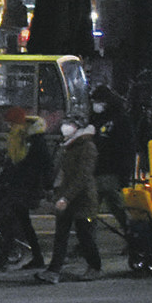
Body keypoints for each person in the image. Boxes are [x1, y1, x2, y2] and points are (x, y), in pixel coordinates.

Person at [39, 114, 102, 284]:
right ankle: (54, 270)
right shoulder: (68, 145)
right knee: (61, 235)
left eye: (70, 124)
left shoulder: (87, 147)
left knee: (85, 235)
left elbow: (83, 176)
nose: (65, 127)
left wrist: (66, 197)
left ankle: (94, 266)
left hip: (81, 199)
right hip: (65, 197)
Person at [0, 107, 52, 270]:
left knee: (11, 220)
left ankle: (3, 257)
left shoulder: (34, 139)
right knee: (22, 223)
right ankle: (36, 257)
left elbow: (44, 164)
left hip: (27, 187)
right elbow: (12, 163)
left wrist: (48, 187)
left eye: (11, 124)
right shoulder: (18, 138)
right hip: (17, 186)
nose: (9, 127)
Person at [90, 84, 137, 237]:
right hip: (97, 170)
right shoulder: (97, 118)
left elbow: (126, 147)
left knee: (116, 206)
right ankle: (87, 240)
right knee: (91, 208)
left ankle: (133, 235)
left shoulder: (120, 119)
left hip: (111, 171)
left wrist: (124, 173)